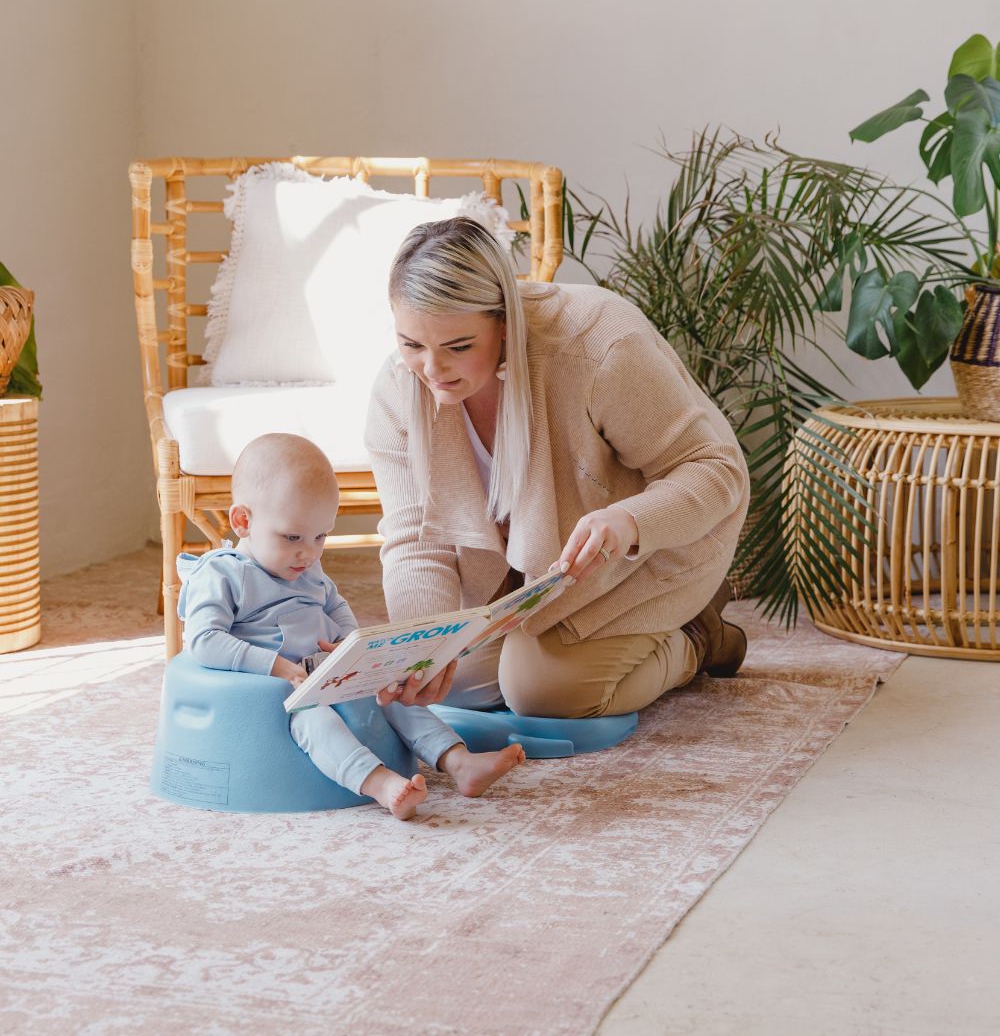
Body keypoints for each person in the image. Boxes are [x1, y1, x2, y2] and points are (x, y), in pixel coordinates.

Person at [364, 217, 751, 719]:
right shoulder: (399, 388)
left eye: (459, 347)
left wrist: (629, 521)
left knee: (542, 693)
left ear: (505, 323)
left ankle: (698, 635)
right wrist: (423, 649)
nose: (432, 370)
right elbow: (417, 538)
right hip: (533, 568)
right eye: (412, 344)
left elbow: (715, 470)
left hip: (645, 549)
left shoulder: (598, 344)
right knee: (453, 684)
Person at [176, 433, 525, 820]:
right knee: (317, 722)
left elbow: (334, 603)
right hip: (283, 693)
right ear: (243, 521)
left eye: (321, 536)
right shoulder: (221, 574)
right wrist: (278, 667)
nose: (309, 552)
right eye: (292, 537)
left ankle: (459, 762)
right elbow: (204, 640)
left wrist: (351, 642)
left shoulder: (305, 566)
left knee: (391, 698)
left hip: (328, 674)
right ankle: (381, 784)